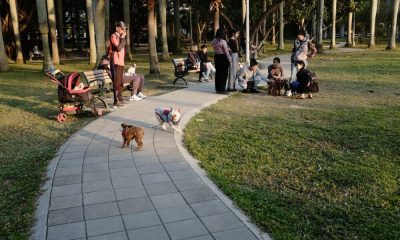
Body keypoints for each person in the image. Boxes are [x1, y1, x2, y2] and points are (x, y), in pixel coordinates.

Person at [108, 21, 127, 108]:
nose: (123, 30)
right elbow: (118, 48)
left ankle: (120, 98)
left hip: (121, 62)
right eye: (122, 29)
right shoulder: (114, 36)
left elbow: (122, 47)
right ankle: (116, 101)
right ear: (117, 28)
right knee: (116, 82)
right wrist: (122, 38)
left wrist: (122, 38)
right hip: (115, 61)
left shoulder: (121, 37)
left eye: (124, 29)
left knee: (120, 82)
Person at [211, 28, 232, 94]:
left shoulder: (214, 41)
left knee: (218, 74)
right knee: (224, 74)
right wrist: (230, 60)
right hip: (223, 58)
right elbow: (226, 52)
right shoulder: (223, 41)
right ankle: (223, 89)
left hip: (217, 57)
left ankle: (218, 89)